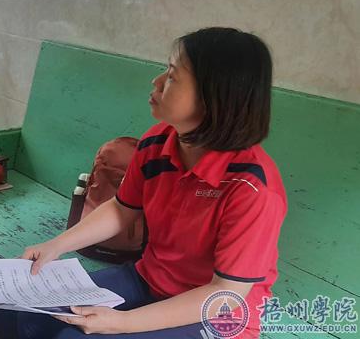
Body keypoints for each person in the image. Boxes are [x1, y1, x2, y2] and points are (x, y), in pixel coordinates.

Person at [17, 27, 286, 338]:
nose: (156, 82)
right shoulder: (157, 142)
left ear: (214, 98)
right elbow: (121, 209)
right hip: (149, 280)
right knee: (36, 312)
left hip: (218, 316)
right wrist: (55, 246)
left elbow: (226, 293)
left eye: (172, 76)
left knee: (74, 336)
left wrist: (121, 323)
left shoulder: (252, 189)